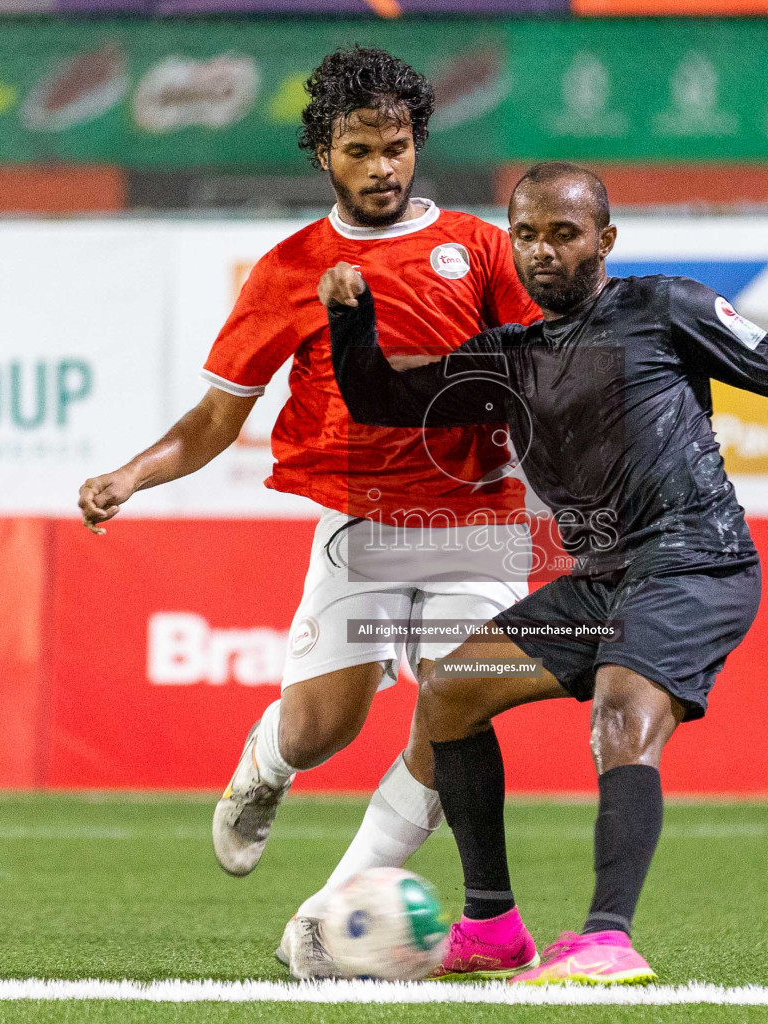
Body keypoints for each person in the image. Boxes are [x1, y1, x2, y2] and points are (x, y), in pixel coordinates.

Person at [321, 161, 768, 984]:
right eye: (526, 236)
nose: (541, 252)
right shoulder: (509, 356)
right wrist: (351, 317)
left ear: (605, 239)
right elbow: (380, 399)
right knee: (451, 689)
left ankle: (607, 938)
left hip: (697, 556)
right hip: (602, 579)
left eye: (563, 233)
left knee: (621, 713)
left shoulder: (664, 308)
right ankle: (490, 925)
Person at [76, 47, 541, 979]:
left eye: (397, 146)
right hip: (358, 527)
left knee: (453, 719)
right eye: (360, 149)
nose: (382, 167)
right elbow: (217, 417)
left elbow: (542, 375)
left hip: (478, 525)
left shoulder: (480, 248)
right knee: (324, 727)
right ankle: (267, 762)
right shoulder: (291, 267)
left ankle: (328, 916)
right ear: (322, 154)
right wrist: (132, 475)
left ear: (417, 145)